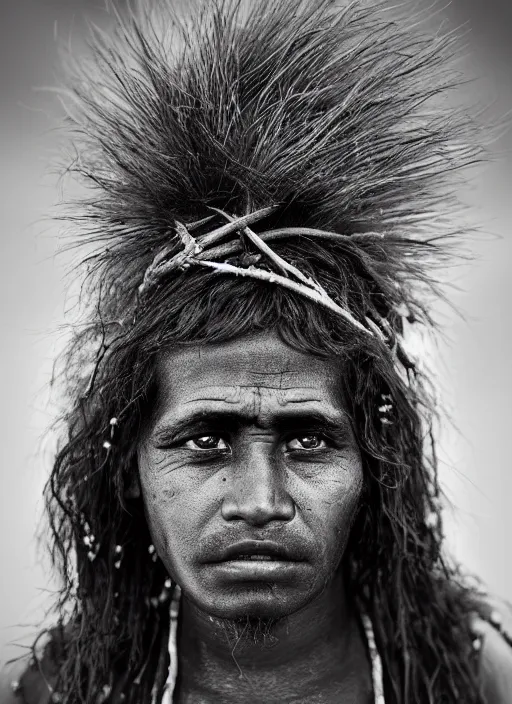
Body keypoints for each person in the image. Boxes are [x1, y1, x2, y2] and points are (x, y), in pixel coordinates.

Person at [2, 0, 512, 701]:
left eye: (309, 440)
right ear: (129, 466)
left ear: (376, 465)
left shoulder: (474, 682)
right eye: (206, 439)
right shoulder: (55, 693)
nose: (260, 502)